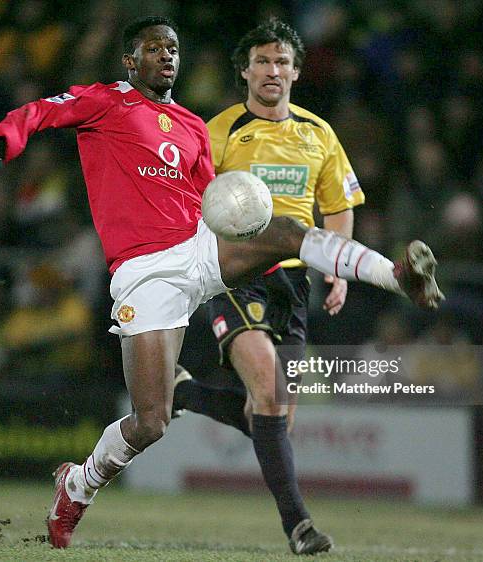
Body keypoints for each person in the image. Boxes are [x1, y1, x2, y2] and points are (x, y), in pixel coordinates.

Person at [0, 16, 443, 552]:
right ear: (130, 60)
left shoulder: (191, 125)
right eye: (154, 48)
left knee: (284, 231)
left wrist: (244, 235)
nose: (167, 56)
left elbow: (210, 202)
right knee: (150, 421)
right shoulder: (105, 102)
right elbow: (39, 113)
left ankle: (394, 275)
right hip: (145, 271)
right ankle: (77, 485)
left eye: (173, 48)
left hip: (198, 249)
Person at [172, 18, 359, 553]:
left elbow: (339, 207)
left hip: (296, 286)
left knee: (270, 413)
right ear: (245, 72)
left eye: (281, 62)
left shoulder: (319, 133)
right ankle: (299, 526)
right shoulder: (219, 131)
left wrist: (337, 268)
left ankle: (186, 392)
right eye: (262, 61)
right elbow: (189, 201)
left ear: (296, 72)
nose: (272, 70)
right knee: (272, 395)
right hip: (237, 275)